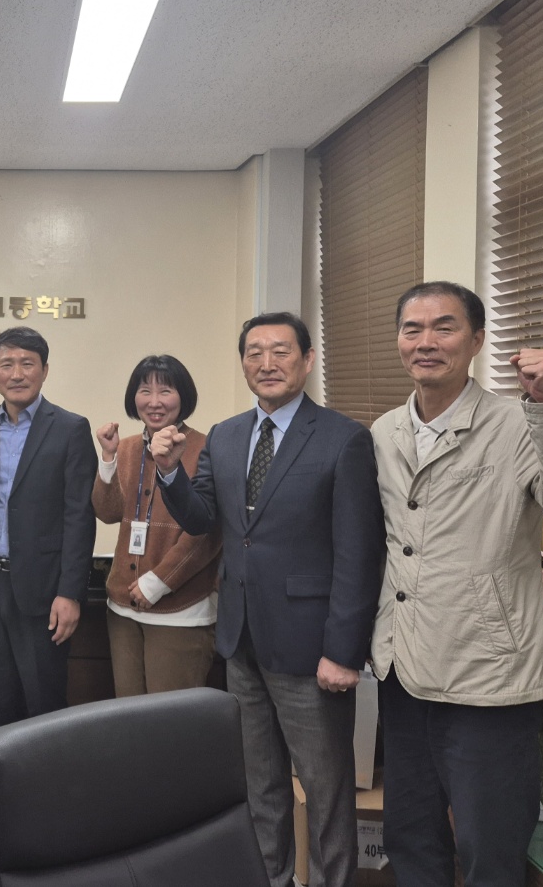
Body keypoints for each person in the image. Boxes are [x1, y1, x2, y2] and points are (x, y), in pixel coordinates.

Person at [370, 282, 543, 887]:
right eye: (412, 329)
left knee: (489, 849)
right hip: (403, 671)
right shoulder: (384, 431)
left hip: (487, 678)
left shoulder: (517, 423)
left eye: (444, 327)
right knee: (410, 837)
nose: (426, 342)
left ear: (477, 340)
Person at [151, 313, 385, 887]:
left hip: (311, 647)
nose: (267, 363)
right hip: (241, 639)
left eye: (281, 351)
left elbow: (359, 554)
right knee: (261, 783)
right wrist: (169, 472)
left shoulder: (343, 438)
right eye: (254, 352)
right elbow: (202, 519)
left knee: (326, 789)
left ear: (308, 359)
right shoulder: (226, 435)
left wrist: (344, 652)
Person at [0, 326, 96, 855]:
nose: (16, 373)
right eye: (6, 364)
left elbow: (79, 516)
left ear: (45, 370)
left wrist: (71, 592)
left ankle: (49, 825)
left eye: (27, 363)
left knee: (44, 711)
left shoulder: (70, 428)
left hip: (43, 592)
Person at [93, 354, 220, 695]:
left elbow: (208, 531)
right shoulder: (127, 447)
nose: (154, 401)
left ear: (183, 396)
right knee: (129, 714)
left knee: (171, 719)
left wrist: (160, 581)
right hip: (122, 608)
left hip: (181, 609)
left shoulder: (206, 448)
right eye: (144, 391)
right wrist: (108, 459)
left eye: (165, 391)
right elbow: (107, 512)